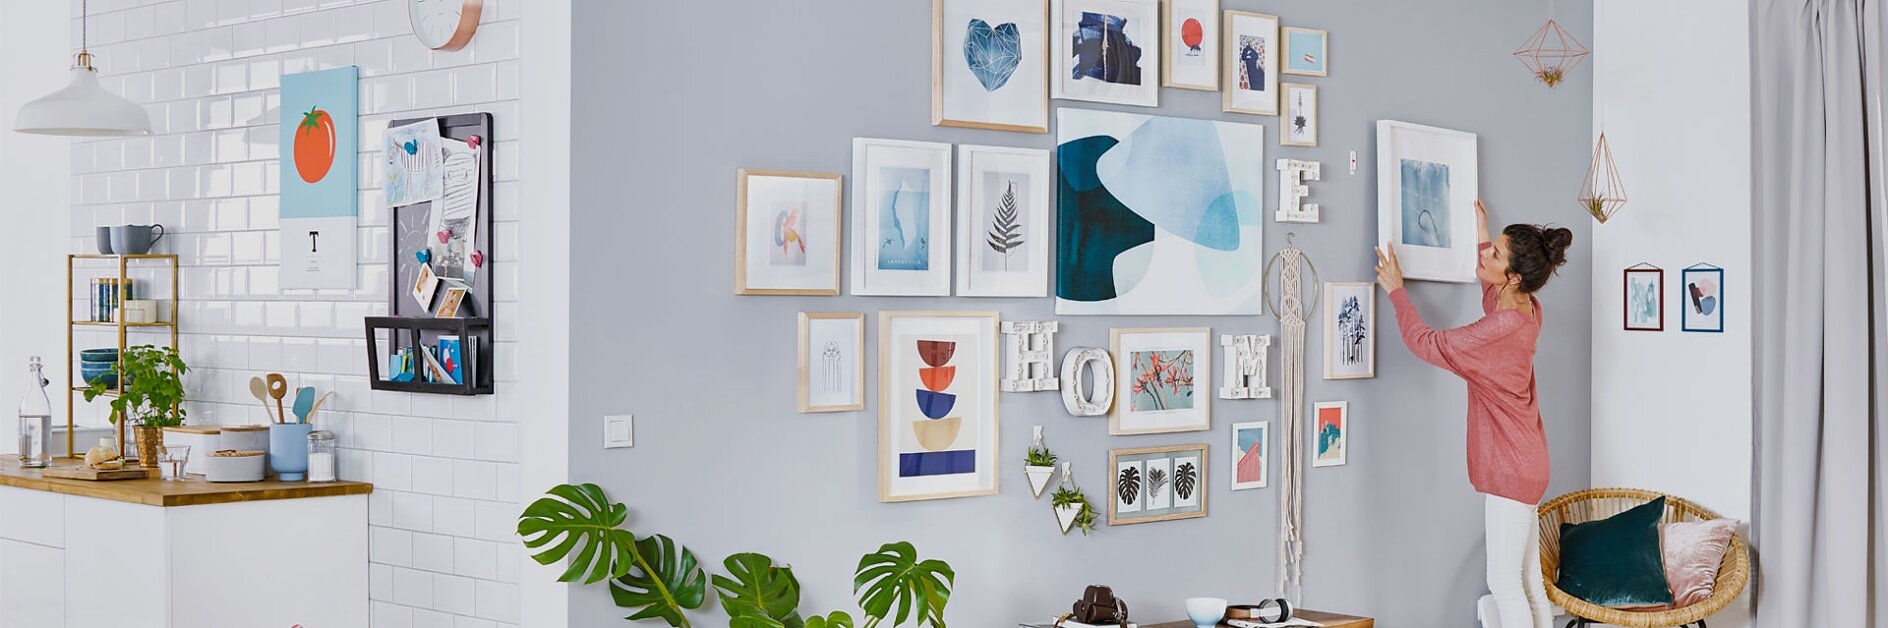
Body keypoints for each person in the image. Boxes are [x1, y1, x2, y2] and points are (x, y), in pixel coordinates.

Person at [1375, 200, 1573, 628]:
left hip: (1510, 467)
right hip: (1529, 460)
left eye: (1495, 255)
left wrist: (1396, 290)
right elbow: (1492, 297)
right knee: (1528, 582)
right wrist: (1483, 230)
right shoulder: (1527, 312)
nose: (1486, 256)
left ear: (1514, 276)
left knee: (1505, 583)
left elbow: (1427, 343)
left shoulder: (1500, 329)